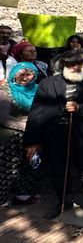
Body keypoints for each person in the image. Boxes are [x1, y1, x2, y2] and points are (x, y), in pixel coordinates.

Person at [23, 50, 83, 220]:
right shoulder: (47, 83)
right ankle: (64, 201)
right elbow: (37, 113)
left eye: (79, 64)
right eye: (71, 64)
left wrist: (80, 108)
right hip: (54, 135)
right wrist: (32, 141)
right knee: (58, 171)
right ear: (63, 65)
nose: (75, 67)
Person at [0, 63, 40, 206]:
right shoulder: (5, 91)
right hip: (10, 136)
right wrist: (26, 126)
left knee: (32, 166)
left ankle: (23, 195)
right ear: (14, 75)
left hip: (35, 135)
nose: (25, 78)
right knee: (7, 169)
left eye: (29, 75)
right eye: (21, 74)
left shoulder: (39, 90)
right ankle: (1, 198)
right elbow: (4, 117)